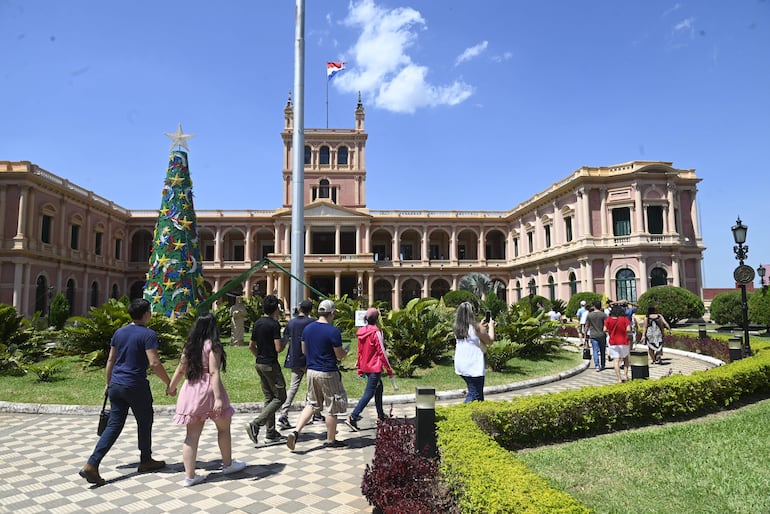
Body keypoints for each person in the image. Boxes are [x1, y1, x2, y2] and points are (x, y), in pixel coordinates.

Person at [79, 298, 171, 486]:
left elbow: (111, 360)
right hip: (135, 385)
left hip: (116, 385)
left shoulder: (119, 332)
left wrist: (108, 383)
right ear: (146, 314)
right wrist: (169, 383)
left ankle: (92, 463)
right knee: (145, 421)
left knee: (114, 425)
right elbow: (154, 362)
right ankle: (146, 459)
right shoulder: (148, 334)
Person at [167, 314, 246, 487]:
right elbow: (213, 372)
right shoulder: (213, 346)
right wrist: (218, 398)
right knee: (224, 430)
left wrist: (171, 387)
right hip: (209, 390)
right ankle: (228, 464)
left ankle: (190, 476)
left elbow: (181, 370)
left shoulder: (190, 346)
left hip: (191, 390)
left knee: (191, 436)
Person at [286, 299, 349, 450]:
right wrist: (345, 351)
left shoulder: (308, 329)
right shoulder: (333, 331)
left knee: (311, 404)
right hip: (328, 371)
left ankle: (296, 431)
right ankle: (330, 439)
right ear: (332, 313)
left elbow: (304, 350)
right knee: (332, 405)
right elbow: (339, 355)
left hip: (311, 371)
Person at [244, 294, 287, 445]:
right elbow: (278, 348)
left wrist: (259, 356)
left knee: (269, 398)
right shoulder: (274, 325)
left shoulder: (257, 323)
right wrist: (286, 339)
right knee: (281, 397)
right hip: (270, 364)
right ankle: (256, 424)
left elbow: (251, 345)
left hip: (260, 363)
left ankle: (271, 433)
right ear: (276, 308)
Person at [345, 308, 394, 431]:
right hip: (375, 367)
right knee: (369, 393)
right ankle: (353, 417)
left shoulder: (361, 332)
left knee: (379, 388)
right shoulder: (376, 332)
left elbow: (360, 352)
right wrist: (389, 369)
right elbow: (381, 351)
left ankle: (381, 416)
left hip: (366, 366)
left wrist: (360, 369)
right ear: (377, 319)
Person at [277, 299, 315, 430]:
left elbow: (285, 340)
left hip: (294, 357)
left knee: (293, 387)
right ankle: (314, 412)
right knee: (312, 387)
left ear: (299, 309)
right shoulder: (312, 322)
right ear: (310, 310)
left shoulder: (291, 323)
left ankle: (283, 414)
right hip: (309, 358)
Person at [453, 302, 495, 402]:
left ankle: (478, 414)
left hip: (461, 364)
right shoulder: (476, 328)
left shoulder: (457, 328)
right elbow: (490, 341)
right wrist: (491, 326)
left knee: (475, 392)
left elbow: (471, 337)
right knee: (475, 394)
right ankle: (464, 414)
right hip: (474, 366)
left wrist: (481, 325)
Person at [604, 303, 631, 383]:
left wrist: (610, 331)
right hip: (623, 341)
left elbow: (604, 329)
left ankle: (619, 379)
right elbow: (628, 329)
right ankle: (625, 376)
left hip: (613, 342)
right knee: (626, 359)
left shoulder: (608, 319)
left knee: (616, 361)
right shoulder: (624, 319)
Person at [585, 300, 608, 371]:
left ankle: (597, 365)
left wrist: (585, 335)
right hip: (602, 334)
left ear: (594, 306)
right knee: (603, 350)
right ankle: (603, 364)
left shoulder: (590, 315)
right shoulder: (603, 315)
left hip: (593, 335)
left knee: (595, 351)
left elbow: (587, 326)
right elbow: (606, 325)